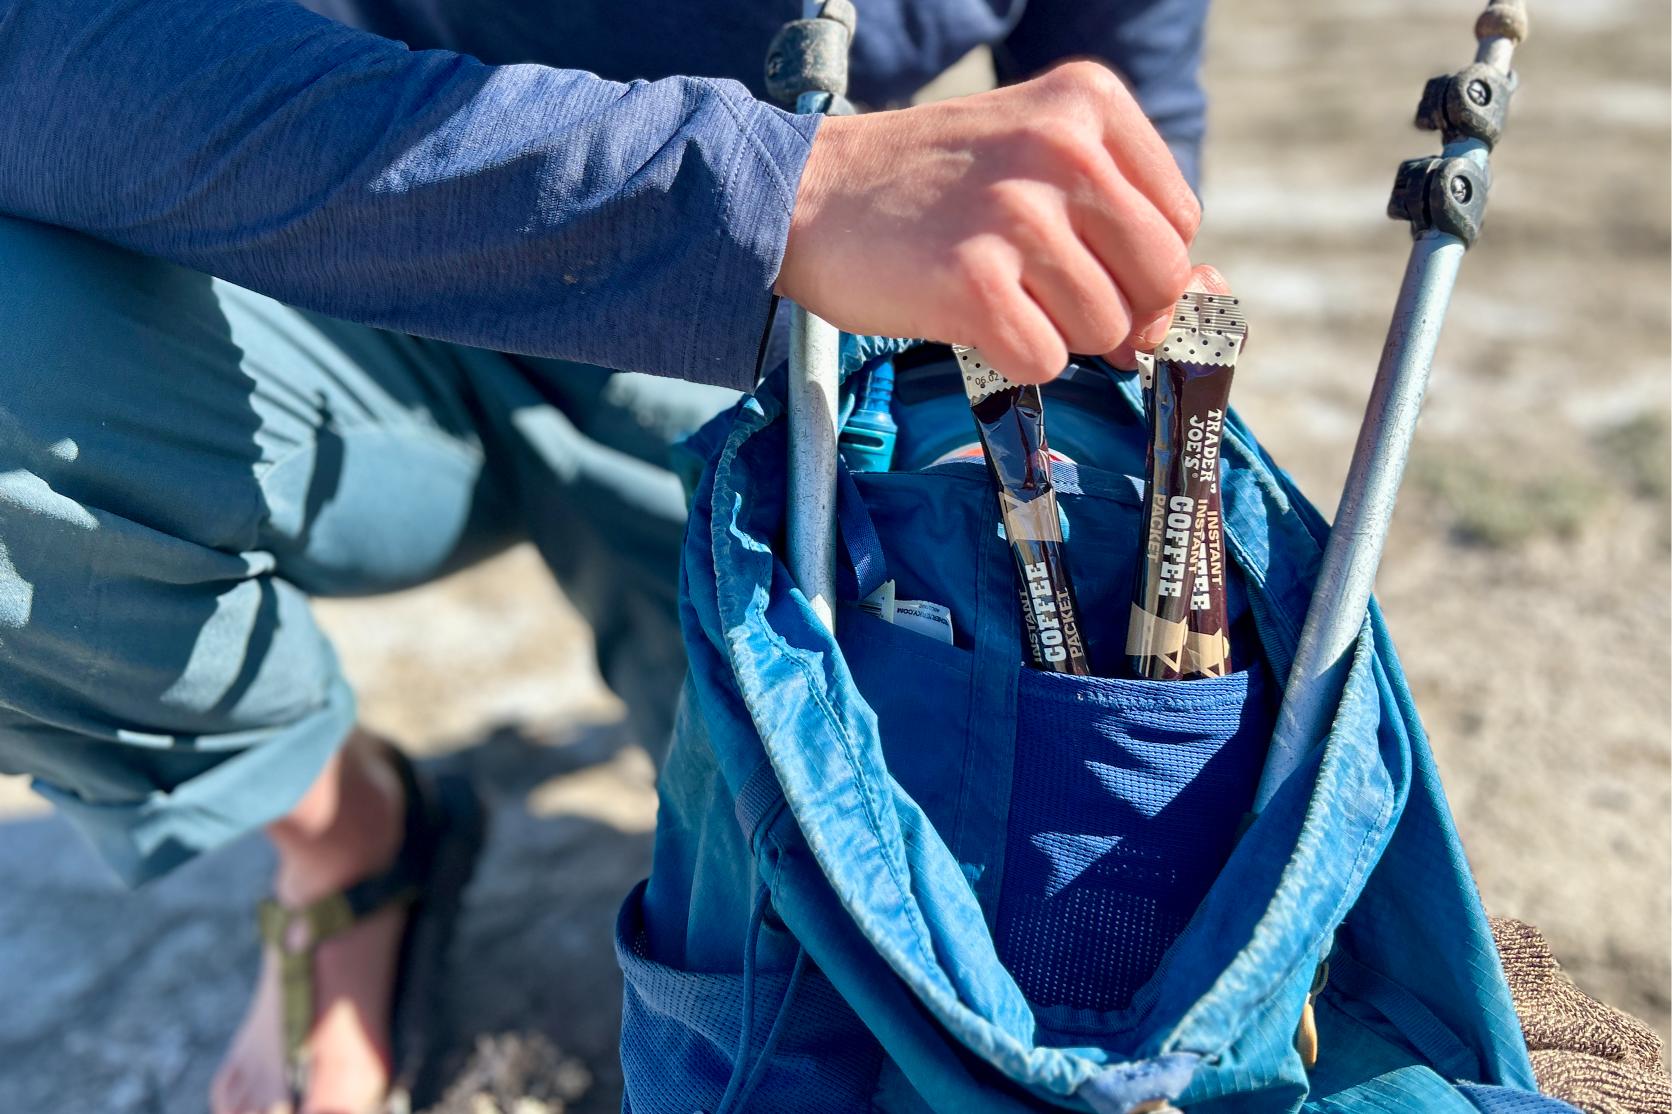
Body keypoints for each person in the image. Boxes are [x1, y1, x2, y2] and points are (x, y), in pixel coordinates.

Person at [0, 1, 1210, 1111]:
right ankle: (346, 836)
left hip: (769, 369)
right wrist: (764, 195)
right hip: (332, 265)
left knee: (912, 905)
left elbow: (1116, 116)